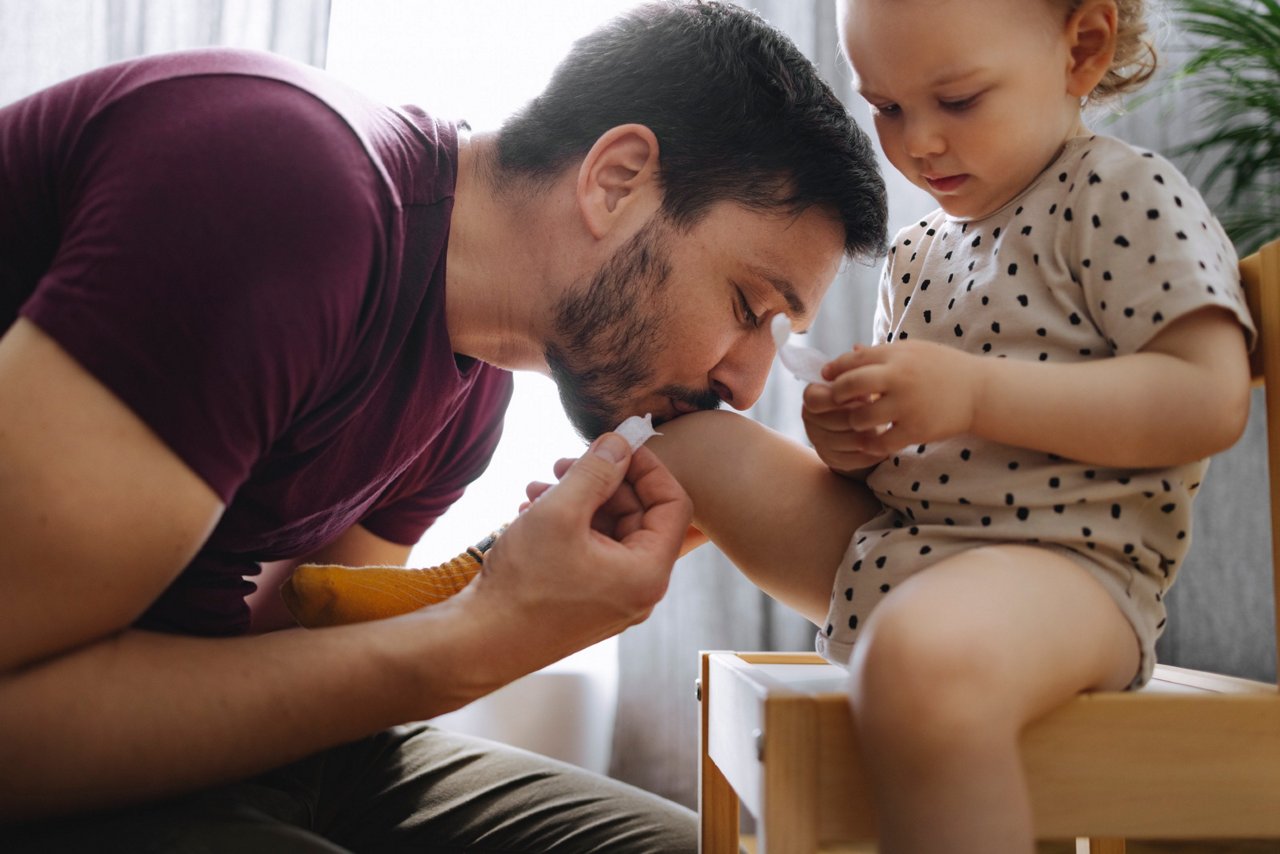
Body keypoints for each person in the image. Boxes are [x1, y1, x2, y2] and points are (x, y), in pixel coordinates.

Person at [0, 1, 887, 850]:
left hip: (208, 747)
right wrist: (488, 634)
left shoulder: (469, 396)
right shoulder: (287, 189)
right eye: (746, 305)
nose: (745, 383)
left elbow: (299, 653)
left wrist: (499, 580)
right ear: (616, 181)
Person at [644, 0, 1256, 852]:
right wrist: (851, 437)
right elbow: (914, 458)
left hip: (1068, 572)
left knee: (918, 664)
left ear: (1081, 49)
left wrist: (970, 395)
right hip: (904, 549)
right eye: (887, 107)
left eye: (958, 100)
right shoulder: (918, 251)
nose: (918, 142)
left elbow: (1207, 398)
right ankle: (527, 574)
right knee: (684, 447)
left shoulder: (1121, 192)